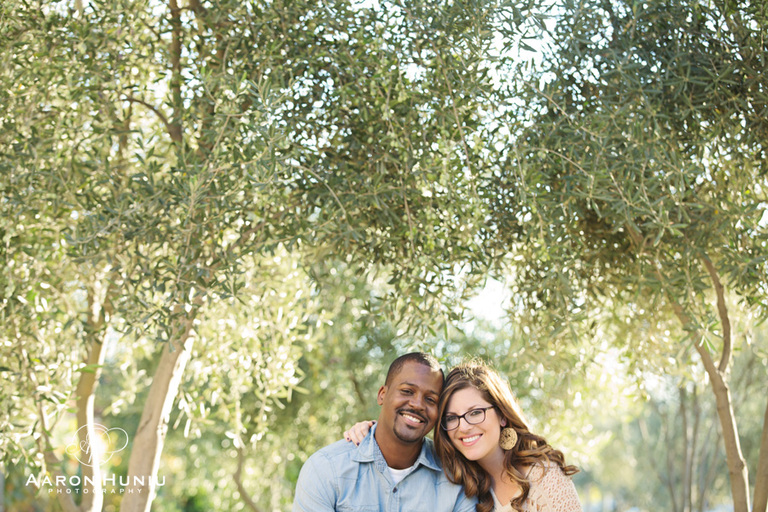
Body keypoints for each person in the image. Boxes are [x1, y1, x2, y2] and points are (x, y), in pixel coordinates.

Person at [344, 360, 582, 512]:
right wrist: (371, 429)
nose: (464, 427)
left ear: (502, 415)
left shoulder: (543, 477)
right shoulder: (455, 477)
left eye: (475, 413)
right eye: (452, 417)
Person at [292, 352, 477, 512]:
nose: (418, 404)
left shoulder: (456, 480)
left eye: (430, 399)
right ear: (382, 394)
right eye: (407, 391)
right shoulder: (326, 469)